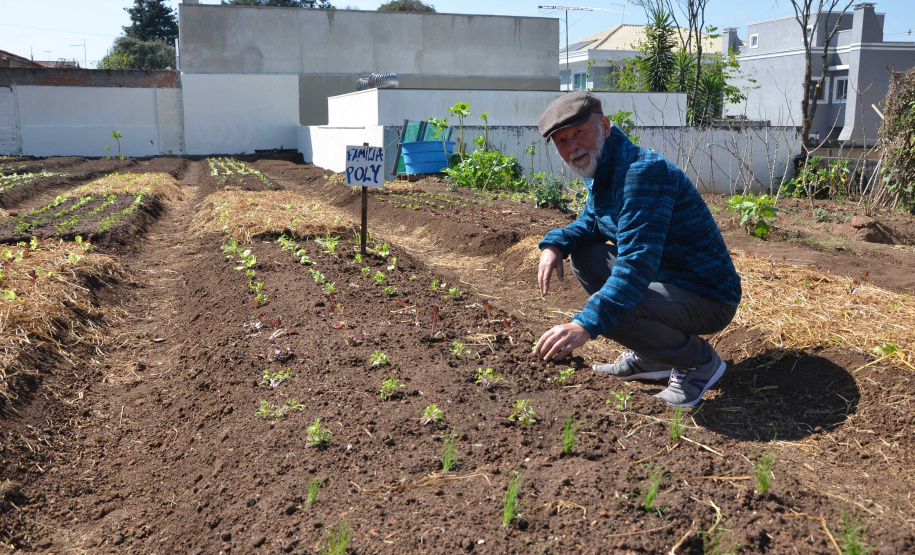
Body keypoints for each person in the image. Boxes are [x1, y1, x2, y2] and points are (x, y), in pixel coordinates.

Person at [532, 91, 742, 408]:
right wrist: (555, 244)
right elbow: (591, 224)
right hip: (667, 280)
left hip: (707, 295)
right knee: (586, 256)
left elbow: (634, 268)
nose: (572, 147)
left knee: (612, 307)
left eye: (579, 133)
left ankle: (697, 362)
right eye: (562, 141)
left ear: (603, 125)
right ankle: (651, 357)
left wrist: (584, 324)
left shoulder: (642, 174)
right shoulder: (603, 168)